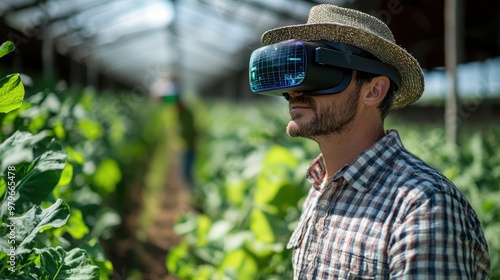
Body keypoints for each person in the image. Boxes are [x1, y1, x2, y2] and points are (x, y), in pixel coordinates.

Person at [249, 4, 490, 279]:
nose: (293, 91)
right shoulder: (320, 187)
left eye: (317, 73)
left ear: (374, 90)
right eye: (293, 71)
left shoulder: (423, 206)